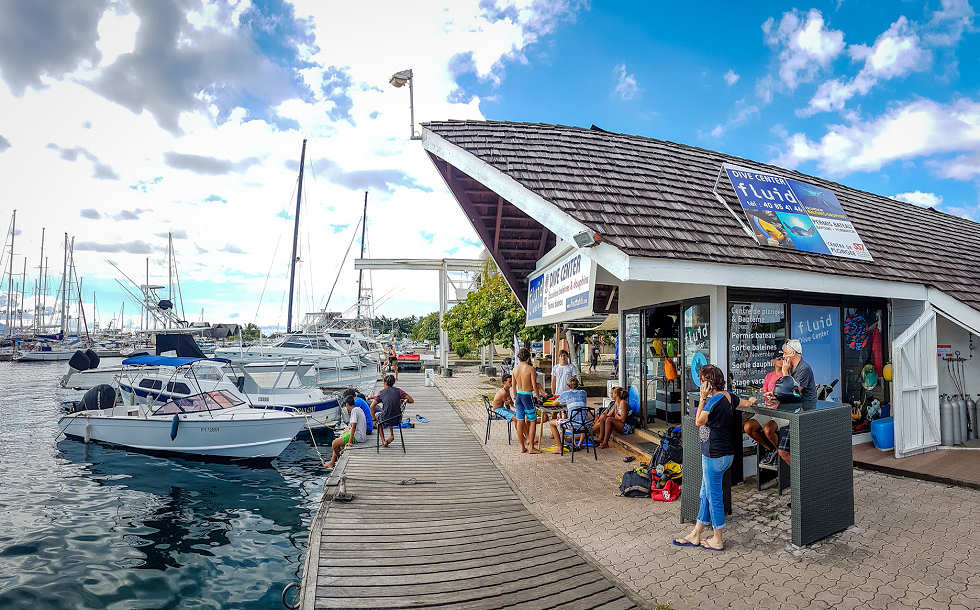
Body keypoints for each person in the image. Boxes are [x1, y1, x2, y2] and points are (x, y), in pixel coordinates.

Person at [673, 364, 756, 552]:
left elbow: (698, 421)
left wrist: (702, 399)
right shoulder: (728, 396)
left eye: (702, 381)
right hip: (727, 454)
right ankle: (696, 533)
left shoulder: (712, 401)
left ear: (708, 384)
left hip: (714, 456)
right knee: (705, 494)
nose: (700, 384)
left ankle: (718, 539)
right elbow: (745, 403)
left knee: (714, 496)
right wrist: (752, 399)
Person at [762, 340, 817, 466]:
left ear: (792, 353)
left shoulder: (804, 368)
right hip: (792, 412)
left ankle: (800, 479)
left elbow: (794, 392)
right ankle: (797, 478)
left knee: (784, 451)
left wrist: (785, 373)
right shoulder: (793, 368)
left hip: (803, 414)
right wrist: (775, 396)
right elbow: (787, 394)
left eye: (785, 353)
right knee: (783, 449)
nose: (783, 356)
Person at [742, 355, 782, 466]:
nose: (782, 360)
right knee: (748, 426)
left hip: (782, 413)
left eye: (783, 358)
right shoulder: (769, 376)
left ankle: (780, 452)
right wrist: (764, 395)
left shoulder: (787, 376)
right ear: (773, 361)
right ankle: (770, 449)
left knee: (768, 429)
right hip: (768, 410)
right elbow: (763, 392)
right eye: (779, 358)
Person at [547, 376, 592, 450]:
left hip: (572, 424)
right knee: (581, 416)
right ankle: (579, 444)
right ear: (578, 385)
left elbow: (554, 404)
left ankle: (559, 448)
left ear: (568, 386)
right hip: (585, 424)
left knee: (551, 423)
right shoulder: (583, 393)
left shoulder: (566, 394)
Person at [512, 347, 542, 454]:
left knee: (520, 421)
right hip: (527, 396)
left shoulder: (515, 369)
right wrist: (538, 397)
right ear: (528, 358)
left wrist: (515, 398)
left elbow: (513, 386)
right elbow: (534, 385)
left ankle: (522, 447)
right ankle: (531, 448)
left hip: (519, 395)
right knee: (532, 421)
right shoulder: (530, 369)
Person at [370, 374, 414, 447]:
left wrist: (373, 419)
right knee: (390, 411)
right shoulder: (399, 391)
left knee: (378, 420)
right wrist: (403, 400)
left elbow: (371, 407)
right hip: (397, 419)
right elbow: (411, 400)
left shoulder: (381, 392)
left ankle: (383, 441)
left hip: (386, 419)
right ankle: (392, 435)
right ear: (393, 383)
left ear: (385, 383)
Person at [325, 394, 367, 469]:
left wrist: (350, 441)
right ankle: (331, 463)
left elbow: (354, 426)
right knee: (339, 439)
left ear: (347, 404)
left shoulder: (354, 411)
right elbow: (353, 426)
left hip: (358, 436)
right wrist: (348, 429)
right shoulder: (358, 409)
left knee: (334, 443)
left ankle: (339, 458)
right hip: (360, 435)